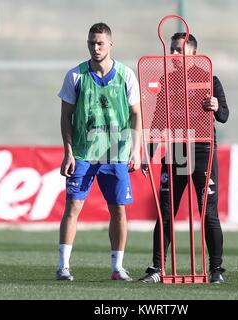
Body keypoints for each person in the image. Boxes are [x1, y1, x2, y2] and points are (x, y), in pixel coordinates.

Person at [139, 33, 229, 284]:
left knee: (208, 213)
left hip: (203, 151)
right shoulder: (167, 80)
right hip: (177, 151)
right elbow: (158, 119)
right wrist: (150, 151)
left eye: (179, 50)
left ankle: (216, 270)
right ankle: (157, 268)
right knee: (165, 211)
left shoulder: (209, 79)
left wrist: (215, 106)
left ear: (193, 52)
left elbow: (224, 116)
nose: (173, 55)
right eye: (171, 50)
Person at [56, 22, 142, 281]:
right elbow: (65, 117)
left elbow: (137, 114)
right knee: (73, 207)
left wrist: (136, 150)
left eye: (100, 43)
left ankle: (117, 267)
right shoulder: (76, 76)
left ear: (110, 44)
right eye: (92, 43)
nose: (96, 47)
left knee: (118, 210)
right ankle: (63, 266)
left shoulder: (126, 75)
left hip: (116, 153)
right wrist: (68, 152)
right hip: (84, 153)